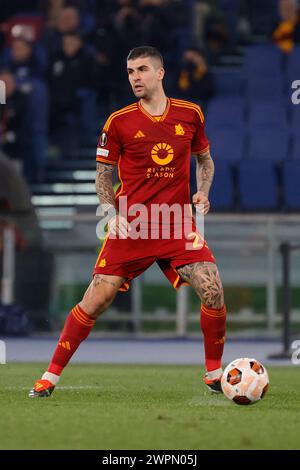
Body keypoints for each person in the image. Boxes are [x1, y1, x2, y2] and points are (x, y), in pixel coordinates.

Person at [29, 46, 226, 398]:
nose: (135, 76)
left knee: (212, 288)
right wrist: (110, 211)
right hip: (132, 225)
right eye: (130, 71)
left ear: (160, 73)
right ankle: (49, 376)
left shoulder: (190, 114)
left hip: (176, 224)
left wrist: (204, 191)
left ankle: (214, 374)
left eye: (142, 69)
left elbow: (205, 161)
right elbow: (103, 177)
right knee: (97, 298)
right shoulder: (118, 122)